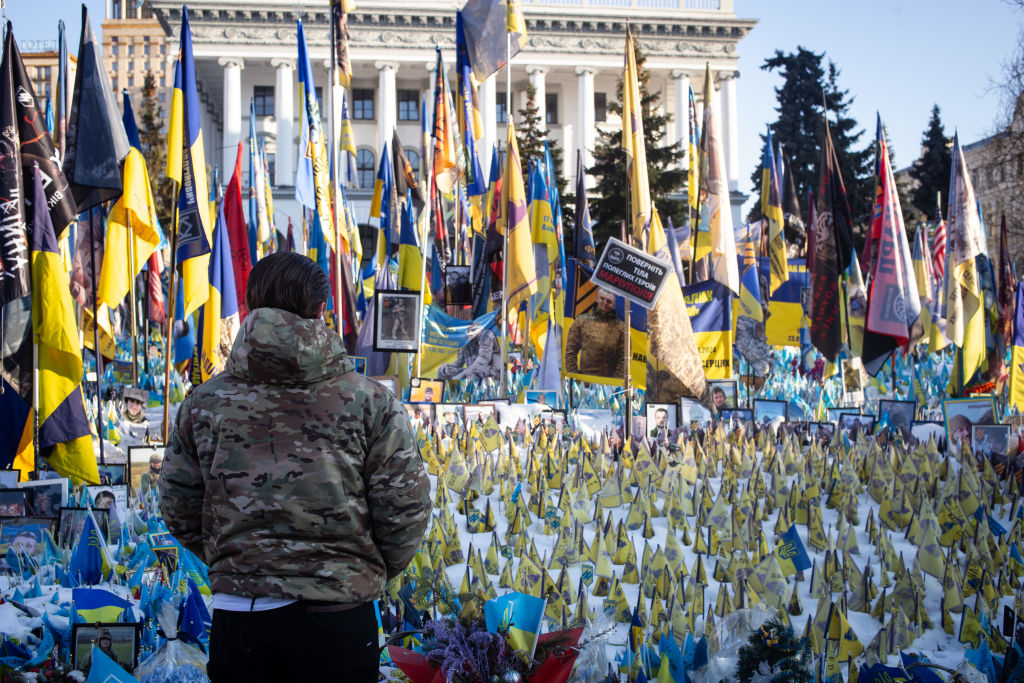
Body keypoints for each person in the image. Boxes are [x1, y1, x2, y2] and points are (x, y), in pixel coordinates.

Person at [159, 252, 430, 683]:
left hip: (240, 620)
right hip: (338, 622)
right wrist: (356, 569)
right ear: (322, 310)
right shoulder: (370, 402)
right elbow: (405, 512)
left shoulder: (203, 404)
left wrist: (240, 561)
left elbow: (177, 506)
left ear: (249, 306)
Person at [564, 289, 625, 378]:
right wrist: (574, 377)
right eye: (602, 298)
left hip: (610, 383)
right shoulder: (581, 321)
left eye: (609, 301)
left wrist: (616, 382)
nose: (604, 303)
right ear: (596, 298)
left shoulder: (621, 327)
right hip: (585, 380)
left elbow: (624, 357)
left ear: (614, 305)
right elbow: (570, 350)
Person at [437, 322, 502, 381]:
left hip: (491, 371)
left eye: (471, 329)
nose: (468, 332)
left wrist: (459, 376)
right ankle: (442, 392)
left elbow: (483, 361)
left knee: (472, 371)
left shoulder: (486, 335)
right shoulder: (467, 341)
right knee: (443, 371)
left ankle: (473, 393)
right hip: (472, 371)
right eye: (467, 330)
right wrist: (447, 367)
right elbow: (459, 363)